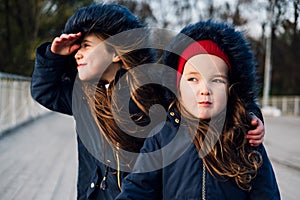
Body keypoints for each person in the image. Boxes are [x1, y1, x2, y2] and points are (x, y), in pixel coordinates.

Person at [31, 3, 265, 199]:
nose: (77, 53)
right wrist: (53, 56)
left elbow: (201, 95)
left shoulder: (148, 87)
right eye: (76, 49)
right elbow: (45, 91)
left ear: (116, 53)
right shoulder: (82, 97)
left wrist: (251, 116)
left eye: (86, 46)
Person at [116, 20, 280, 199]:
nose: (204, 90)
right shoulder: (162, 136)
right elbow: (137, 190)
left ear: (230, 89)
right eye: (193, 79)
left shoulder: (245, 140)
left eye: (216, 80)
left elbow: (266, 194)